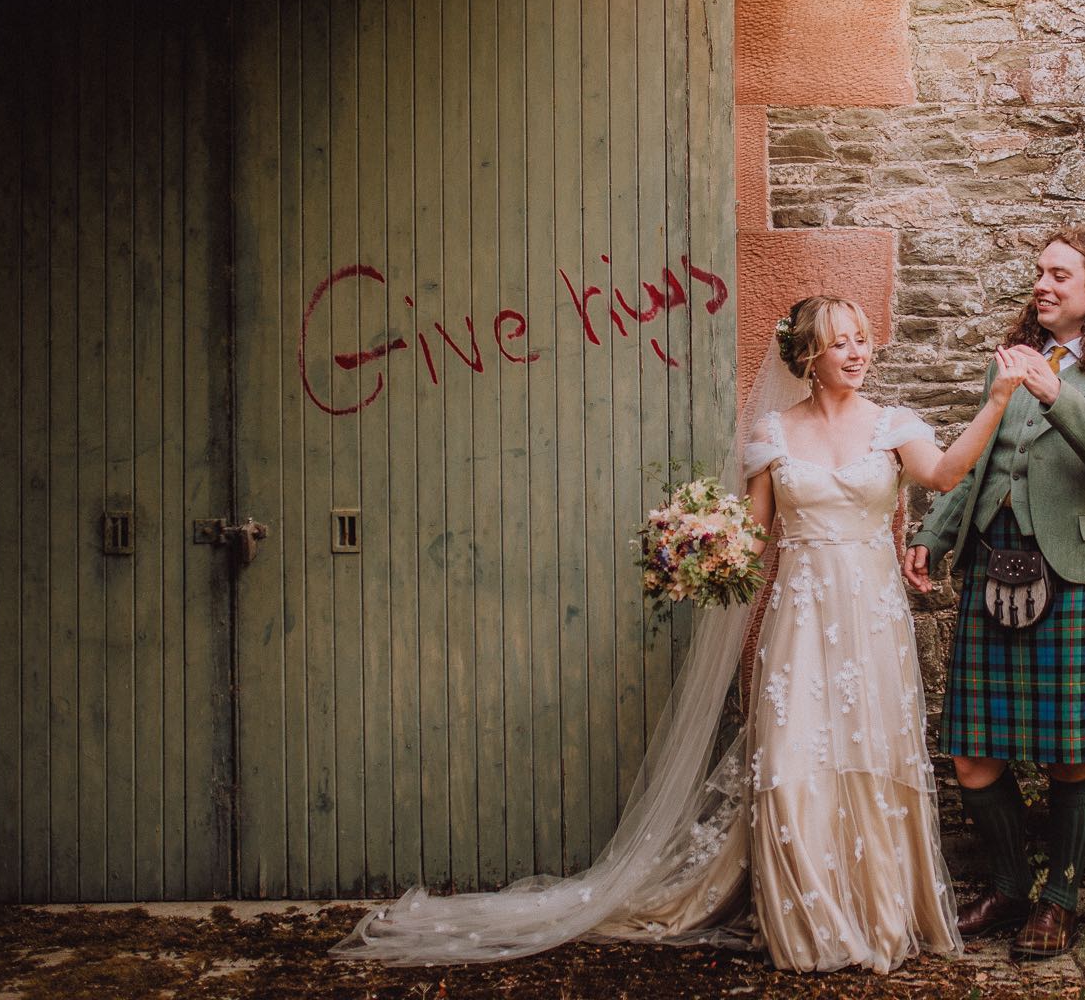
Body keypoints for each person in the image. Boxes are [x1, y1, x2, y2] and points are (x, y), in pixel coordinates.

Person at [336, 294, 1038, 973]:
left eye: (862, 339)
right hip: (800, 613)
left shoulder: (893, 424)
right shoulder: (773, 434)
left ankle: (877, 913)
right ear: (809, 355)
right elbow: (755, 536)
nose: (858, 353)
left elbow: (945, 475)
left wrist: (999, 398)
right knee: (794, 761)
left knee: (868, 760)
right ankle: (810, 927)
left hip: (870, 618)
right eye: (840, 341)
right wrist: (700, 546)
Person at [904, 226, 1085, 960]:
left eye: (1059, 275)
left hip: (1074, 574)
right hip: (995, 563)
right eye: (1038, 273)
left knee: (1071, 755)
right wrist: (937, 531)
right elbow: (980, 454)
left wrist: (1057, 398)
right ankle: (1011, 887)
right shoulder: (1015, 359)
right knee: (973, 756)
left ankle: (1059, 901)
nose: (1042, 285)